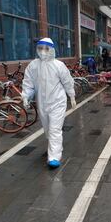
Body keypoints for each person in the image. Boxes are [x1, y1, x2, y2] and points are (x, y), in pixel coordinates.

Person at [22, 38, 76, 169]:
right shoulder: (33, 66)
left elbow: (67, 81)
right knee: (47, 129)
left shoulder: (58, 65)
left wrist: (72, 96)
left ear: (52, 49)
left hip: (57, 102)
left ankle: (54, 157)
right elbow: (28, 82)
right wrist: (26, 95)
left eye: (46, 49)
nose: (43, 51)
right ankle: (56, 146)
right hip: (42, 103)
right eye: (40, 48)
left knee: (54, 129)